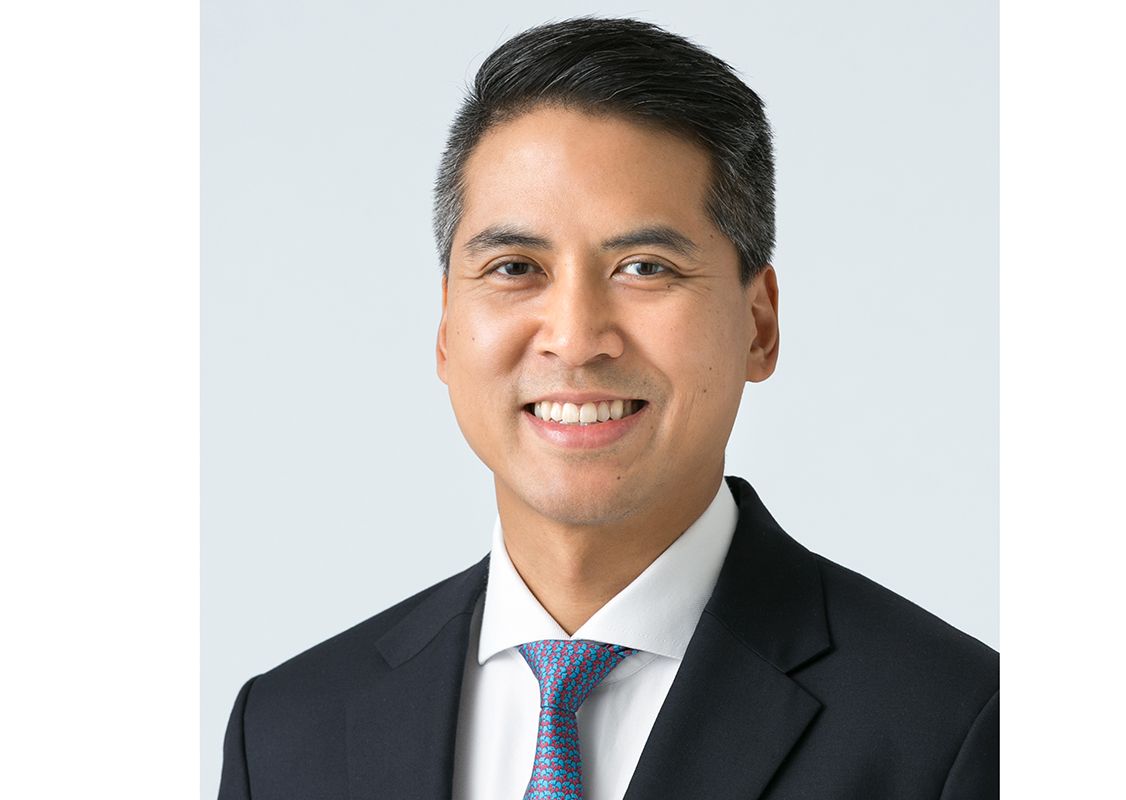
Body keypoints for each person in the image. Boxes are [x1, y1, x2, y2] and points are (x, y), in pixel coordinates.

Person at [217, 17, 998, 800]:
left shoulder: (955, 727)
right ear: (447, 329)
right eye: (515, 267)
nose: (575, 338)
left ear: (759, 326)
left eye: (644, 267)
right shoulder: (286, 733)